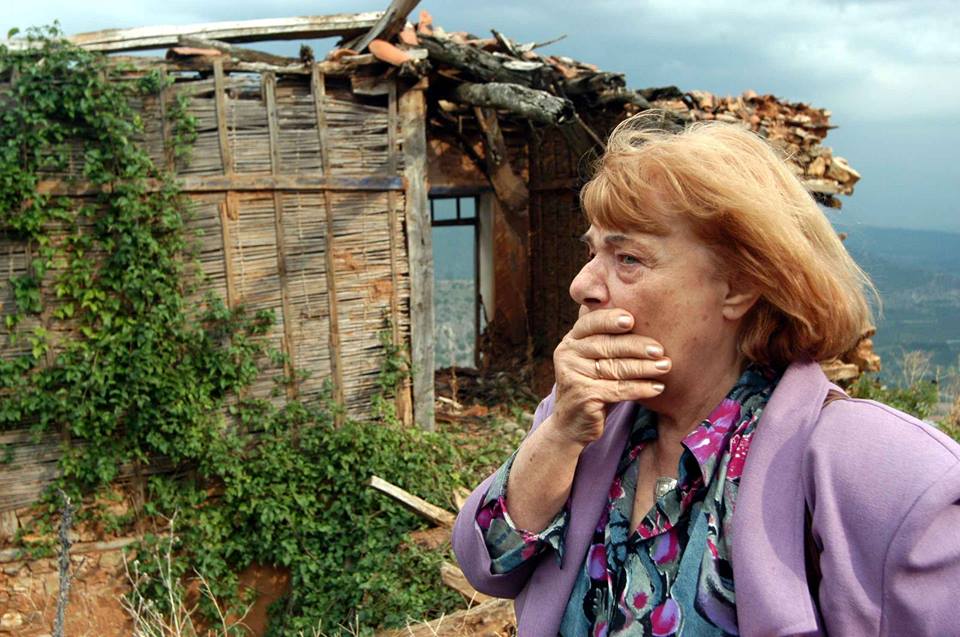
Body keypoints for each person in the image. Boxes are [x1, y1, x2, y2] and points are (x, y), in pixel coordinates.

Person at [452, 113, 960, 636]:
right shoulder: (584, 419)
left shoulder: (886, 474)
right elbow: (487, 566)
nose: (582, 284)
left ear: (738, 286)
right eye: (593, 251)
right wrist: (559, 435)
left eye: (628, 257)